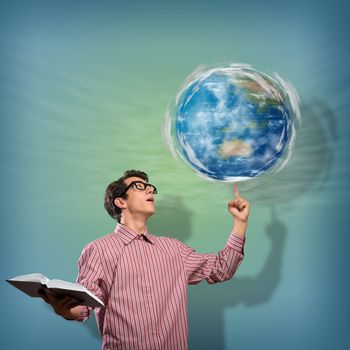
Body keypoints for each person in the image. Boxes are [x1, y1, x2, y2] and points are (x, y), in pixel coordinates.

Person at [41, 169, 250, 350]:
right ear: (120, 201)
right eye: (140, 186)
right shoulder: (99, 250)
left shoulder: (174, 249)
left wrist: (240, 223)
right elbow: (85, 305)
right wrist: (66, 310)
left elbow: (222, 268)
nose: (150, 190)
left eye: (150, 187)